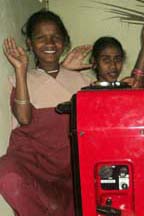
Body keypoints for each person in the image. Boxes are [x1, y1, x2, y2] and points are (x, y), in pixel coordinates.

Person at [0, 10, 90, 215]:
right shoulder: (20, 79)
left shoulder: (83, 81)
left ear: (64, 42)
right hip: (33, 167)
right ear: (30, 44)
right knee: (6, 173)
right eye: (41, 38)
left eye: (56, 37)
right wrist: (21, 70)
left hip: (71, 172)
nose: (50, 43)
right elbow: (24, 118)